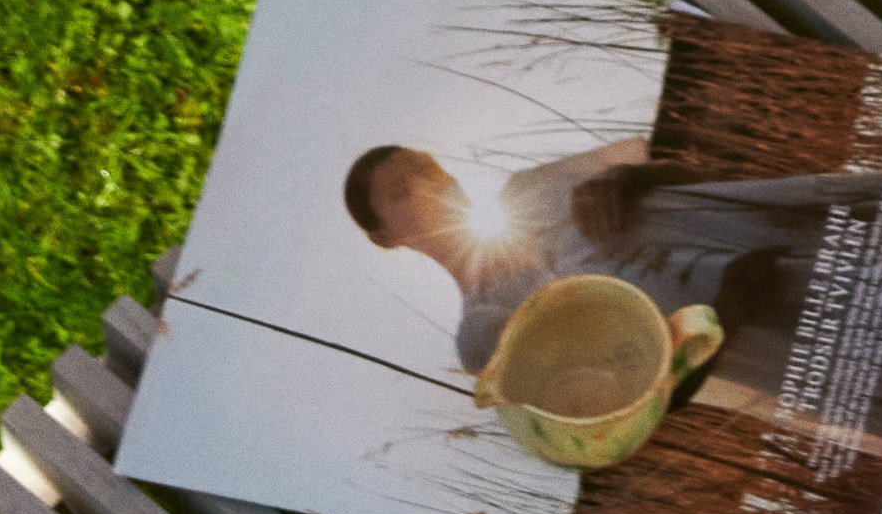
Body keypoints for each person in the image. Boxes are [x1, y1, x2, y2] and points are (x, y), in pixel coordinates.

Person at [343, 130, 817, 380]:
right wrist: (725, 313)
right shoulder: (484, 332)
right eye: (401, 192)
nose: (430, 186)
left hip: (798, 233)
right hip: (779, 343)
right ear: (385, 237)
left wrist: (629, 178)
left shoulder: (531, 189)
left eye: (429, 168)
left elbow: (708, 175)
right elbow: (616, 400)